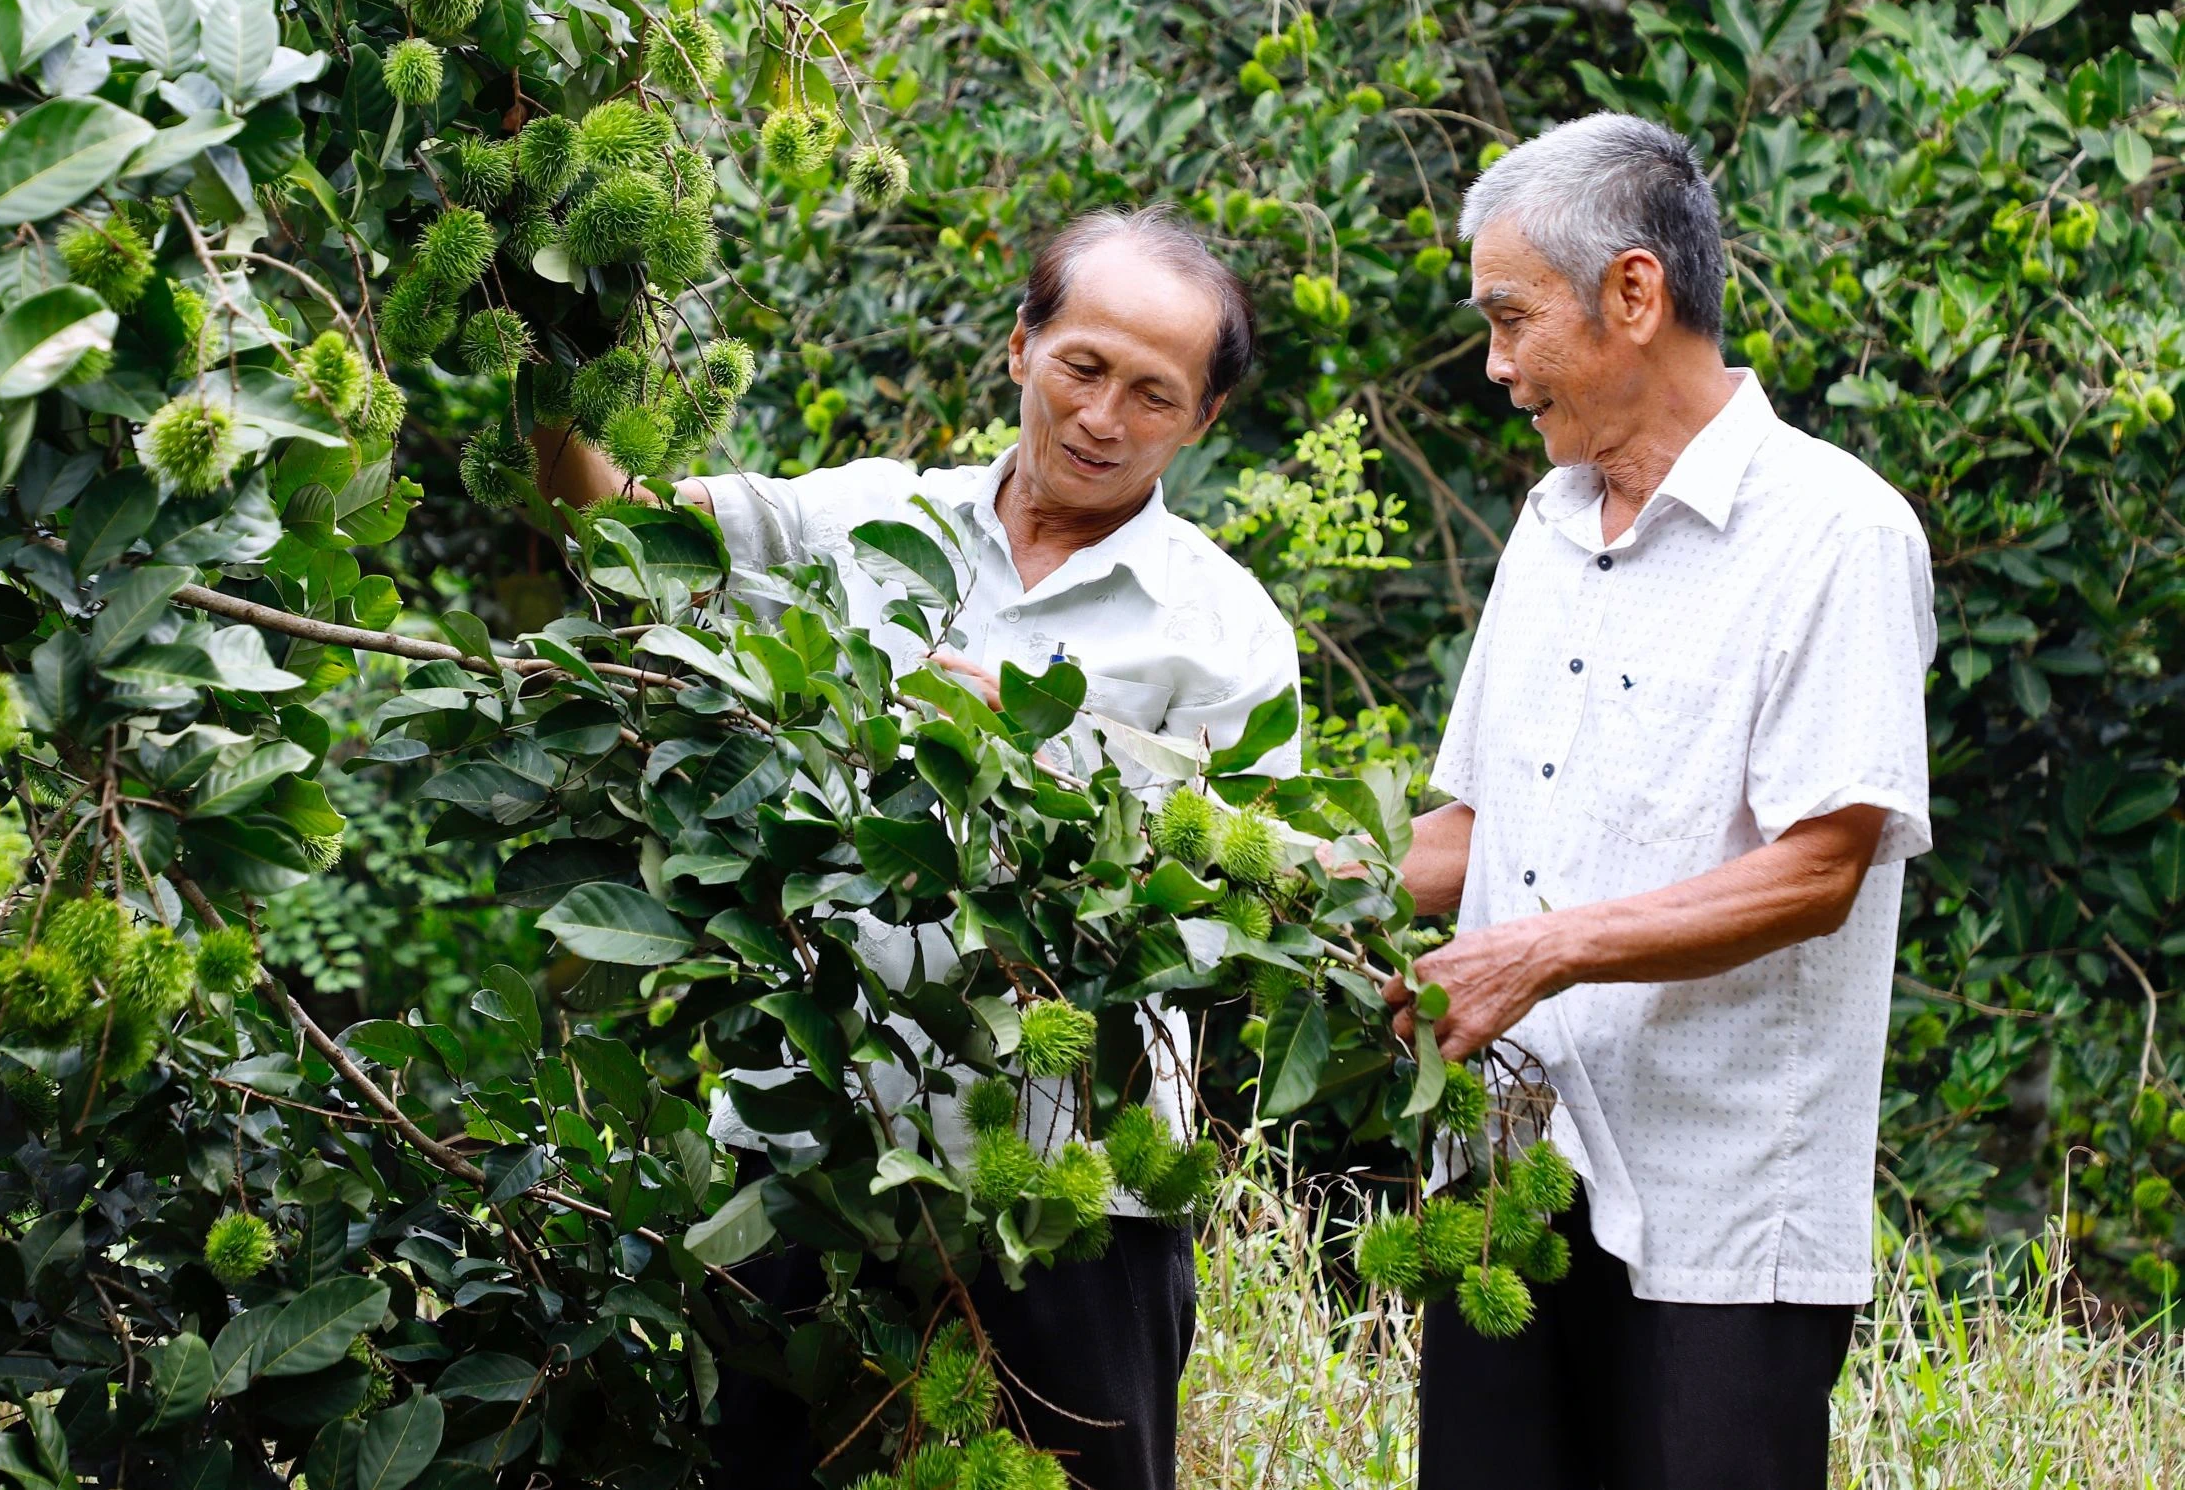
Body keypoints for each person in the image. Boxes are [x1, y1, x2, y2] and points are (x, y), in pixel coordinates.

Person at [534, 206, 1301, 1490]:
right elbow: (624, 529)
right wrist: (541, 349)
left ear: (1200, 420)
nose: (1104, 416)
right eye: (1082, 366)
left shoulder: (1222, 627)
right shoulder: (866, 517)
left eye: (1153, 394)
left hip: (1078, 1189)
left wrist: (1042, 744)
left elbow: (1253, 876)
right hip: (806, 1152)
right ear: (1020, 349)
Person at [1384, 113, 1936, 1490]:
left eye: (1512, 320)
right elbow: (1467, 838)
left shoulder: (1837, 532)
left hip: (1719, 1216)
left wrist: (1543, 949)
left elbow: (1822, 868)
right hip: (1512, 1182)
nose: (1498, 364)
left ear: (1634, 292)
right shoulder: (1550, 525)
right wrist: (1234, 878)